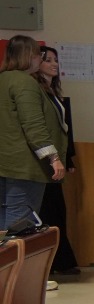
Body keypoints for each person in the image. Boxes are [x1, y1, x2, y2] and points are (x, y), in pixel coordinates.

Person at [0, 36, 67, 227]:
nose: (40, 59)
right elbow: (33, 125)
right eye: (39, 55)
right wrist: (53, 158)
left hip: (5, 164)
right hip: (23, 167)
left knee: (4, 225)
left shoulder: (3, 79)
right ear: (29, 55)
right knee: (19, 225)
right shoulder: (25, 82)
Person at [33, 46, 78, 278]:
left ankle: (61, 259)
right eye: (48, 60)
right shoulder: (36, 91)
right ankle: (47, 264)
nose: (54, 64)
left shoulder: (54, 93)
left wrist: (67, 156)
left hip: (56, 158)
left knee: (58, 210)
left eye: (55, 60)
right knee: (46, 210)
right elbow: (40, 128)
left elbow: (63, 128)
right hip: (42, 161)